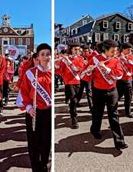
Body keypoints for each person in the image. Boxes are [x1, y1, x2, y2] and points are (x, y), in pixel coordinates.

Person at [82, 39, 127, 150]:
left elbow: (119, 75)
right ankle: (95, 130)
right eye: (112, 51)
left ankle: (119, 141)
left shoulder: (116, 60)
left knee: (114, 115)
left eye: (116, 51)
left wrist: (106, 68)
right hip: (98, 91)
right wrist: (89, 71)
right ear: (105, 50)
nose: (115, 53)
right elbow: (86, 77)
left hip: (112, 91)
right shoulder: (95, 59)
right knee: (98, 113)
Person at [19, 43, 52, 171]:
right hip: (34, 112)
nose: (45, 57)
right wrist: (28, 107)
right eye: (42, 54)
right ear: (37, 57)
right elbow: (24, 93)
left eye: (48, 54)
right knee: (34, 143)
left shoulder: (52, 72)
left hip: (48, 111)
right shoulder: (30, 73)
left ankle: (45, 166)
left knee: (46, 142)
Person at [54, 43, 85, 128]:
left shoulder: (80, 59)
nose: (77, 51)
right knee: (74, 100)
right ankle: (74, 118)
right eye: (75, 49)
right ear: (71, 50)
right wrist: (56, 63)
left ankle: (72, 110)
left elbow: (77, 69)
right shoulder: (64, 60)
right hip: (69, 82)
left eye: (78, 49)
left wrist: (68, 61)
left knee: (76, 100)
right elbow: (59, 71)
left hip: (77, 81)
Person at [117, 43, 133, 118]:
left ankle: (128, 112)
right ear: (123, 49)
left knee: (128, 97)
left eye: (130, 49)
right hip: (119, 80)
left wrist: (125, 60)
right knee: (117, 96)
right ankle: (114, 110)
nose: (130, 51)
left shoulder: (132, 57)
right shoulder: (117, 56)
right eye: (128, 49)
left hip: (128, 79)